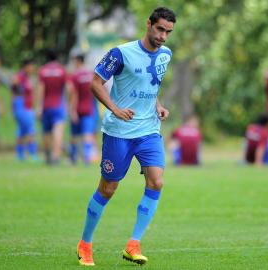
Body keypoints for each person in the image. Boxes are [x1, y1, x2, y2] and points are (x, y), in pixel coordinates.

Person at [77, 7, 176, 266]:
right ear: (148, 24)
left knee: (156, 182)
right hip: (119, 132)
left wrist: (158, 106)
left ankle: (133, 244)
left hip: (148, 131)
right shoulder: (121, 53)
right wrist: (115, 109)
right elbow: (95, 83)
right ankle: (85, 243)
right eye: (160, 29)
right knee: (108, 189)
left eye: (168, 32)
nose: (163, 36)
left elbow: (151, 86)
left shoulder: (166, 54)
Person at [37, 49, 68, 165]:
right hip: (58, 105)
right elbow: (69, 88)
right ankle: (56, 156)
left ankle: (47, 155)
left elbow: (41, 89)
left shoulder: (43, 70)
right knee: (58, 131)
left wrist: (39, 107)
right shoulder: (61, 70)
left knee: (46, 132)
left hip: (46, 106)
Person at [68, 53, 96, 165]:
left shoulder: (75, 76)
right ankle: (87, 158)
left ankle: (73, 158)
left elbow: (73, 93)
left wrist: (72, 110)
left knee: (74, 134)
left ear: (77, 61)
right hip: (89, 108)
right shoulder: (91, 74)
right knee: (87, 133)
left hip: (77, 108)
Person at [11, 58, 39, 161]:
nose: (32, 69)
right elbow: (13, 91)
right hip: (22, 107)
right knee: (31, 130)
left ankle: (20, 154)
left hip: (27, 107)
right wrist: (14, 107)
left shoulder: (28, 78)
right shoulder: (19, 76)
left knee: (22, 131)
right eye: (31, 66)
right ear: (26, 66)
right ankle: (32, 154)